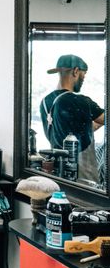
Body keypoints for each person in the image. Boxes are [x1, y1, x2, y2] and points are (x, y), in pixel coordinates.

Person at [39, 54, 104, 182]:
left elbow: (79, 129)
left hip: (57, 171)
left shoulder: (45, 102)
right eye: (83, 75)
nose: (83, 79)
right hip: (82, 175)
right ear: (75, 71)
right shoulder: (79, 100)